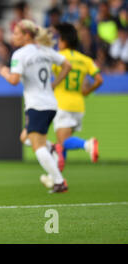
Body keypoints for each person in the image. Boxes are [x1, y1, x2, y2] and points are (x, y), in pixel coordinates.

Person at [0, 20, 72, 193]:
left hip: (37, 105)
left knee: (37, 147)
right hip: (50, 103)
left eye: (17, 33)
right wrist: (54, 84)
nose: (13, 36)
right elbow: (67, 65)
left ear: (26, 35)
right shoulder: (45, 50)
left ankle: (59, 182)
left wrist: (3, 72)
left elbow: (14, 80)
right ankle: (52, 148)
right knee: (25, 137)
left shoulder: (20, 54)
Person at [51, 23, 103, 169]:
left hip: (62, 103)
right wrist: (88, 90)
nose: (58, 43)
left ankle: (87, 144)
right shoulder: (86, 60)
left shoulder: (58, 57)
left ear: (64, 41)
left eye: (59, 40)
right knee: (63, 144)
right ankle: (58, 179)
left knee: (63, 141)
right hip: (78, 105)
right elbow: (99, 79)